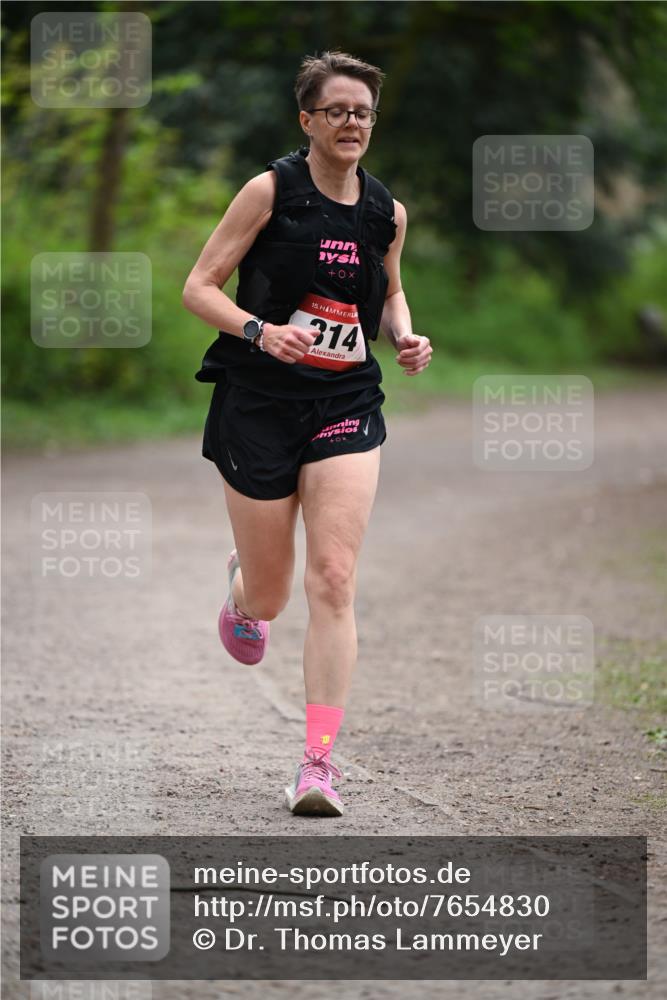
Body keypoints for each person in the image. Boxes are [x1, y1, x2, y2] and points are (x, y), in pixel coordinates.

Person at [183, 50, 432, 817]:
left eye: (362, 112)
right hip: (257, 402)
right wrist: (259, 332)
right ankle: (242, 593)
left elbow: (388, 291)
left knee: (332, 577)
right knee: (273, 593)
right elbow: (198, 287)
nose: (351, 123)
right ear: (308, 120)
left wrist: (405, 334)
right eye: (336, 111)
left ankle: (317, 766)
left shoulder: (384, 211)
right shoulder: (269, 191)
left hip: (344, 402)